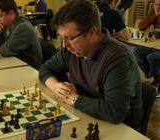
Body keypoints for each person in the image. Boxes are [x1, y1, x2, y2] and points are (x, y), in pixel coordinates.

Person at [39, 0, 143, 131]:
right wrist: (56, 87)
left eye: (69, 38)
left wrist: (74, 99)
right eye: (62, 37)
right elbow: (45, 68)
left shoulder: (118, 58)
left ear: (92, 33)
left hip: (122, 131)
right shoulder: (71, 50)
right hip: (87, 116)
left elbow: (115, 111)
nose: (64, 45)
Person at [0, 0, 43, 70]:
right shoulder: (8, 25)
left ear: (11, 13)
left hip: (29, 69)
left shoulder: (23, 28)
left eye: (0, 16)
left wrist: (3, 44)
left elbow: (5, 51)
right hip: (17, 64)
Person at [132, 0, 160, 85]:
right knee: (135, 51)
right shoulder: (154, 11)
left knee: (152, 57)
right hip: (154, 44)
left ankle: (156, 75)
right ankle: (154, 75)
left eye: (159, 5)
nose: (157, 7)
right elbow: (141, 26)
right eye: (155, 5)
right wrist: (154, 16)